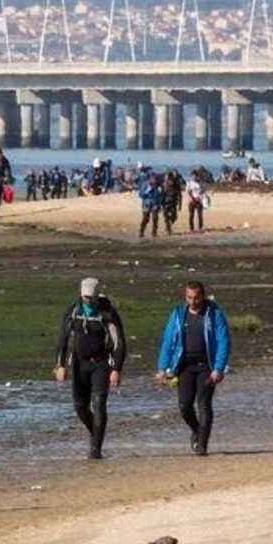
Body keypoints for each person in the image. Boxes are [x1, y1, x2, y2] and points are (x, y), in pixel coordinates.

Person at [156, 280, 231, 456]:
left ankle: (202, 446)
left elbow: (223, 341)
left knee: (204, 404)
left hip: (207, 366)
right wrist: (162, 367)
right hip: (185, 366)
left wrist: (219, 368)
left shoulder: (214, 314)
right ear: (185, 297)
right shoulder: (178, 314)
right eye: (189, 297)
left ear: (202, 296)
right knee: (184, 406)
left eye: (196, 298)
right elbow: (168, 341)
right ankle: (197, 430)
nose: (193, 301)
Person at [53, 277, 126, 460]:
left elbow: (119, 343)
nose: (88, 300)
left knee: (99, 403)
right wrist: (60, 364)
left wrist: (116, 368)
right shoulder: (74, 310)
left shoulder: (107, 312)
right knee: (80, 407)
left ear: (97, 295)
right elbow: (63, 338)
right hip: (79, 363)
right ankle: (96, 431)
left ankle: (96, 450)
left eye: (91, 297)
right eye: (85, 297)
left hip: (101, 364)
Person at [137, 168, 164, 237]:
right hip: (146, 204)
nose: (153, 179)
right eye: (152, 177)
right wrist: (147, 191)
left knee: (155, 218)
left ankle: (154, 232)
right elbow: (141, 195)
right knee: (146, 219)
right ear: (149, 178)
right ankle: (141, 231)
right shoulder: (145, 185)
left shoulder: (157, 186)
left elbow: (159, 196)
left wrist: (160, 203)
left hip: (155, 204)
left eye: (154, 177)